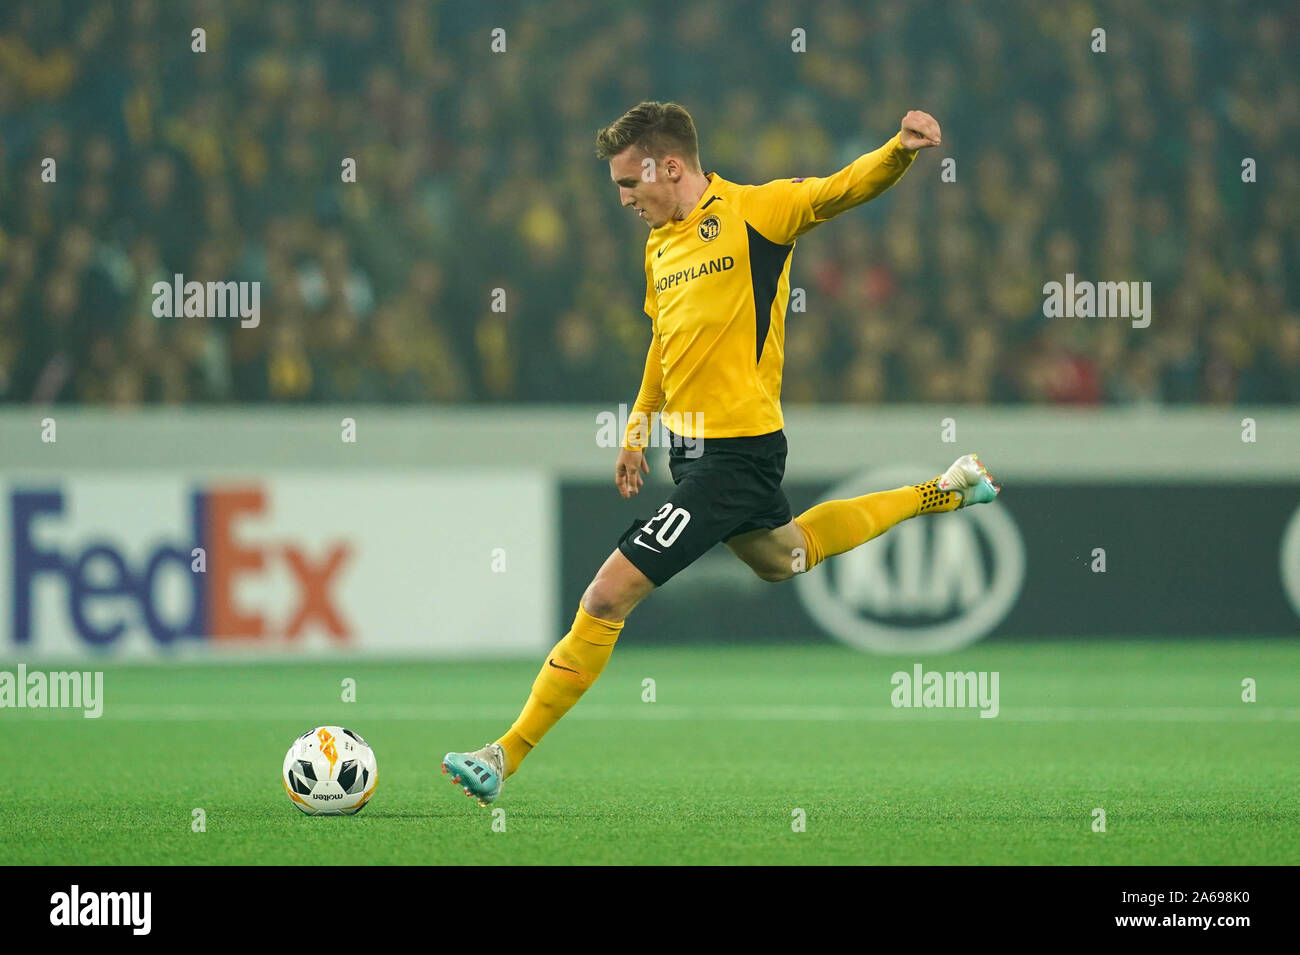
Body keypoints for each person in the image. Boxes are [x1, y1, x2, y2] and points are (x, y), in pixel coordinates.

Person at [442, 101, 999, 805]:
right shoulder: (658, 247)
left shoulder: (756, 212)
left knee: (607, 594)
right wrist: (637, 431)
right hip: (692, 452)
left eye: (629, 183)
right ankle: (947, 489)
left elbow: (840, 189)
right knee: (785, 557)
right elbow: (663, 344)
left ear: (669, 167)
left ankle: (504, 754)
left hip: (738, 452)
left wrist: (898, 150)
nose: (623, 199)